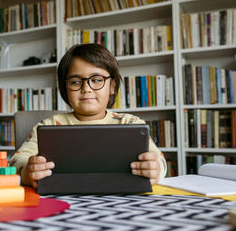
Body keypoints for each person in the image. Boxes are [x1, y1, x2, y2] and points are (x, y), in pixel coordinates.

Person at [10, 43, 167, 188]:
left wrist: (156, 168)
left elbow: (158, 159)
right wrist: (27, 172)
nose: (86, 88)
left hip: (122, 197)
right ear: (65, 88)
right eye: (75, 82)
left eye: (97, 80)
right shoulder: (48, 125)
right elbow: (17, 160)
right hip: (63, 196)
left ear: (112, 86)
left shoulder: (131, 123)